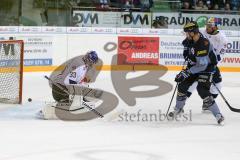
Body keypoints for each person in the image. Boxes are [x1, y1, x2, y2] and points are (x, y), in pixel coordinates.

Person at [168, 21, 224, 125]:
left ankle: (218, 115)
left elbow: (202, 65)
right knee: (182, 86)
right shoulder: (190, 40)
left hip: (207, 69)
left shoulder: (203, 44)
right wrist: (187, 57)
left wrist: (187, 72)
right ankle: (179, 109)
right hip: (195, 67)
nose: (186, 35)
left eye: (187, 33)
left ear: (193, 33)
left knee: (202, 90)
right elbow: (189, 54)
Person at [37, 51, 101, 119]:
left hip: (62, 88)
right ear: (88, 59)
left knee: (80, 100)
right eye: (91, 61)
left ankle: (64, 104)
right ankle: (49, 110)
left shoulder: (83, 65)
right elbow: (70, 81)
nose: (92, 64)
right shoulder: (79, 65)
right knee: (76, 102)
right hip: (59, 90)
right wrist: (79, 97)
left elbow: (77, 82)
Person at [187, 17, 228, 112]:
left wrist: (212, 65)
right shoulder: (201, 32)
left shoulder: (223, 39)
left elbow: (219, 56)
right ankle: (181, 103)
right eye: (207, 25)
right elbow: (188, 35)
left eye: (209, 26)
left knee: (218, 85)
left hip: (210, 63)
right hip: (198, 61)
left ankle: (207, 103)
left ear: (215, 27)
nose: (207, 27)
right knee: (193, 82)